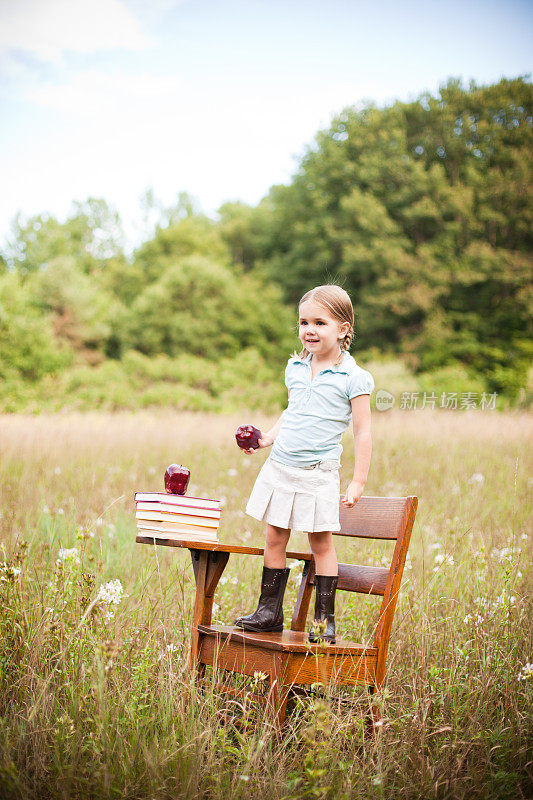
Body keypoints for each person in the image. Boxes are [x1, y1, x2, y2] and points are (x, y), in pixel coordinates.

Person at [234, 284, 374, 644]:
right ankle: (269, 612)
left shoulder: (353, 378)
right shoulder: (295, 367)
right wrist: (266, 438)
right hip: (281, 466)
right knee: (274, 536)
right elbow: (291, 413)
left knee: (321, 543)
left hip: (317, 472)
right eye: (303, 322)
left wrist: (358, 481)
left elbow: (362, 432)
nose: (309, 330)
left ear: (343, 329)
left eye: (319, 322)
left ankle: (324, 621)